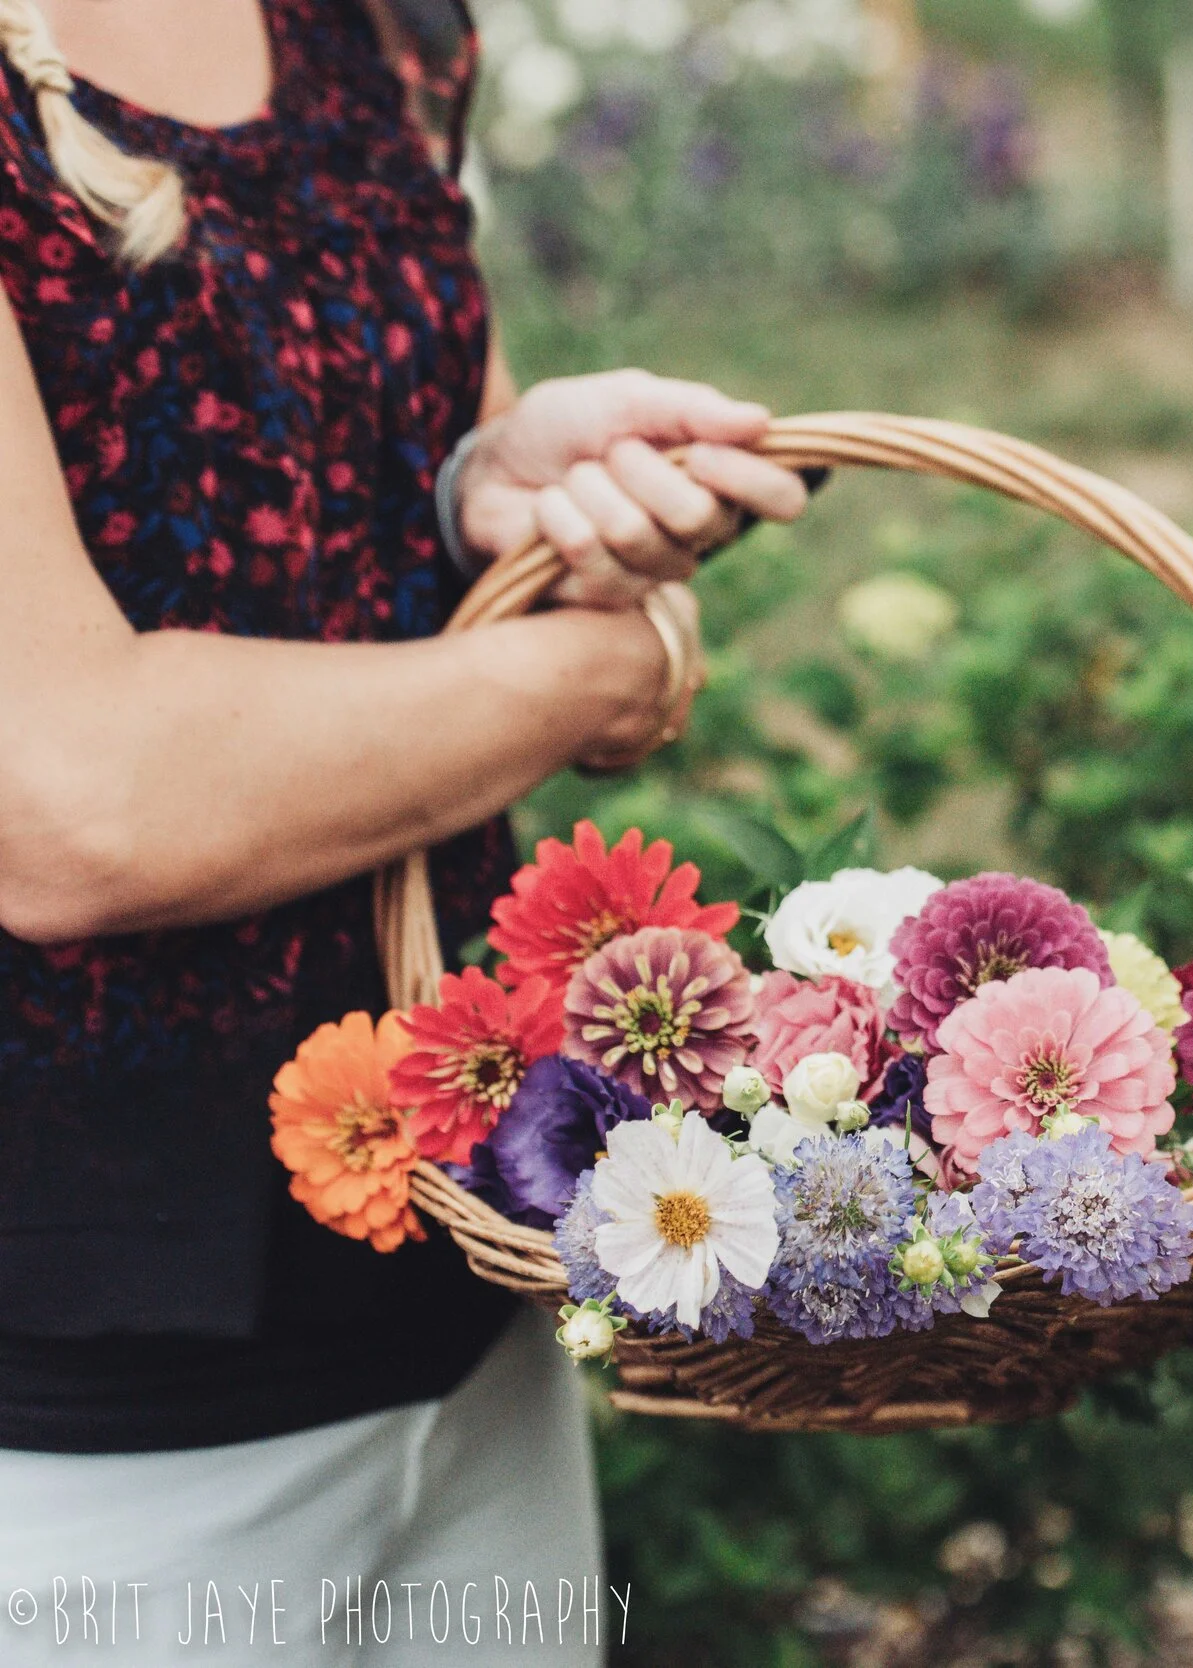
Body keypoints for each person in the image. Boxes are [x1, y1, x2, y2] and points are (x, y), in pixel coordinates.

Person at [0, 0, 811, 1658]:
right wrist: (602, 667)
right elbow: (66, 798)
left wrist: (485, 499)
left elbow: (337, 488)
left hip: (457, 1277)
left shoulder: (378, 22)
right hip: (76, 1396)